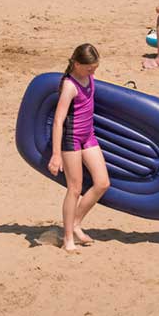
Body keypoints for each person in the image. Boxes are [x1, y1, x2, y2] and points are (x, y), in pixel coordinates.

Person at [48, 43, 110, 253]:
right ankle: (67, 239)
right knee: (74, 189)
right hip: (72, 140)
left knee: (102, 183)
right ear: (76, 63)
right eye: (89, 68)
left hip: (88, 136)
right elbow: (58, 121)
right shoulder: (69, 85)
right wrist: (56, 155)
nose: (93, 72)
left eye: (95, 68)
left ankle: (75, 223)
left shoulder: (89, 77)